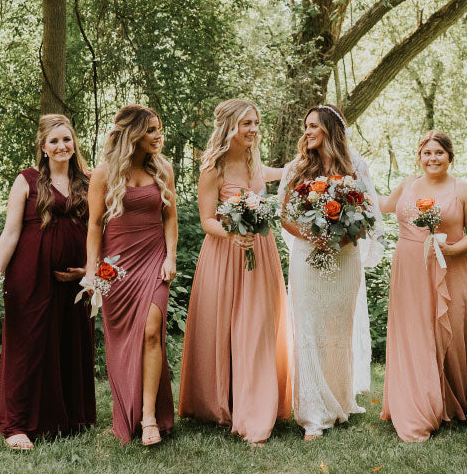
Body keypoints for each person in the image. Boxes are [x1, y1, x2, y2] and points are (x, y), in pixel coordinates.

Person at [178, 99, 290, 445]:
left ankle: (255, 406)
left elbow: (279, 173)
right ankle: (222, 401)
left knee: (255, 327)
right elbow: (207, 220)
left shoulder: (254, 160)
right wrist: (233, 233)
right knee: (224, 326)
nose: (254, 129)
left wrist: (308, 164)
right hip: (225, 254)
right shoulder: (213, 168)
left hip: (260, 253)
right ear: (229, 127)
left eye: (256, 122)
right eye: (246, 124)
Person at [279, 104, 384, 440]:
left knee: (338, 328)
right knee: (308, 328)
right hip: (307, 255)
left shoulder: (355, 167)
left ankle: (338, 399)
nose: (307, 132)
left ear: (330, 130)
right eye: (305, 126)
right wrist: (314, 238)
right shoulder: (297, 168)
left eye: (314, 126)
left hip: (344, 255)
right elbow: (284, 214)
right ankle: (312, 413)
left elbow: (367, 215)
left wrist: (339, 240)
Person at [0, 114, 96, 450]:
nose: (62, 146)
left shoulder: (90, 182)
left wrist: (89, 271)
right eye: (54, 141)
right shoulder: (27, 180)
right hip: (30, 276)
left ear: (74, 142)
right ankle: (16, 425)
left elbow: (102, 232)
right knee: (29, 347)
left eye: (67, 139)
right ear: (43, 147)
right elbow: (11, 232)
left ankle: (67, 417)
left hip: (75, 280)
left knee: (69, 342)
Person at [379, 131, 467, 442]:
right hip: (409, 267)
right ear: (419, 157)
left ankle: (449, 402)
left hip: (450, 267)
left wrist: (454, 249)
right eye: (427, 153)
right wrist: (353, 187)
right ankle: (415, 400)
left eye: (439, 153)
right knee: (414, 331)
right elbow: (385, 206)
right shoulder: (409, 184)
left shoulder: (464, 190)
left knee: (445, 331)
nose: (433, 158)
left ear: (450, 156)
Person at [83, 105, 177, 445]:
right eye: (151, 130)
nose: (158, 135)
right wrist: (92, 271)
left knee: (153, 330)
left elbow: (170, 218)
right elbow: (95, 225)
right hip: (117, 268)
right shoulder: (104, 173)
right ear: (133, 134)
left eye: (158, 129)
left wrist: (171, 257)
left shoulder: (163, 168)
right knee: (123, 342)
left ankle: (150, 416)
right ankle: (129, 410)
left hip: (153, 259)